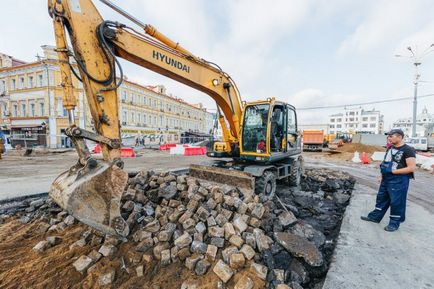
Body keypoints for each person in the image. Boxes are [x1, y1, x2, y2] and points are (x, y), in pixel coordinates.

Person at [361, 129, 416, 232]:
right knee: (381, 198)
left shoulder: (408, 150)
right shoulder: (390, 148)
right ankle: (375, 217)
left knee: (396, 202)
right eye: (388, 136)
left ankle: (394, 223)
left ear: (399, 137)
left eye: (391, 136)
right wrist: (382, 175)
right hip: (386, 179)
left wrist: (392, 172)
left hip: (399, 180)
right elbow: (386, 162)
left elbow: (411, 168)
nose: (389, 138)